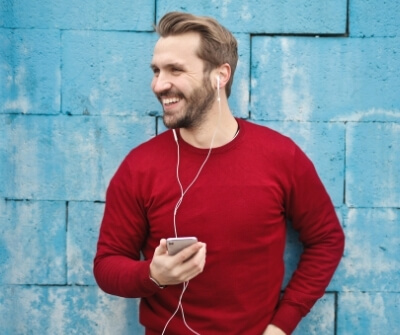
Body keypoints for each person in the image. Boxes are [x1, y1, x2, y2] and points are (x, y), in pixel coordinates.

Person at [93, 12, 345, 335]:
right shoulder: (139, 167)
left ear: (220, 75)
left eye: (175, 70)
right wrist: (152, 275)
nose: (158, 84)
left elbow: (326, 240)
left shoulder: (280, 157)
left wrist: (281, 326)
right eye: (156, 71)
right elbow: (107, 264)